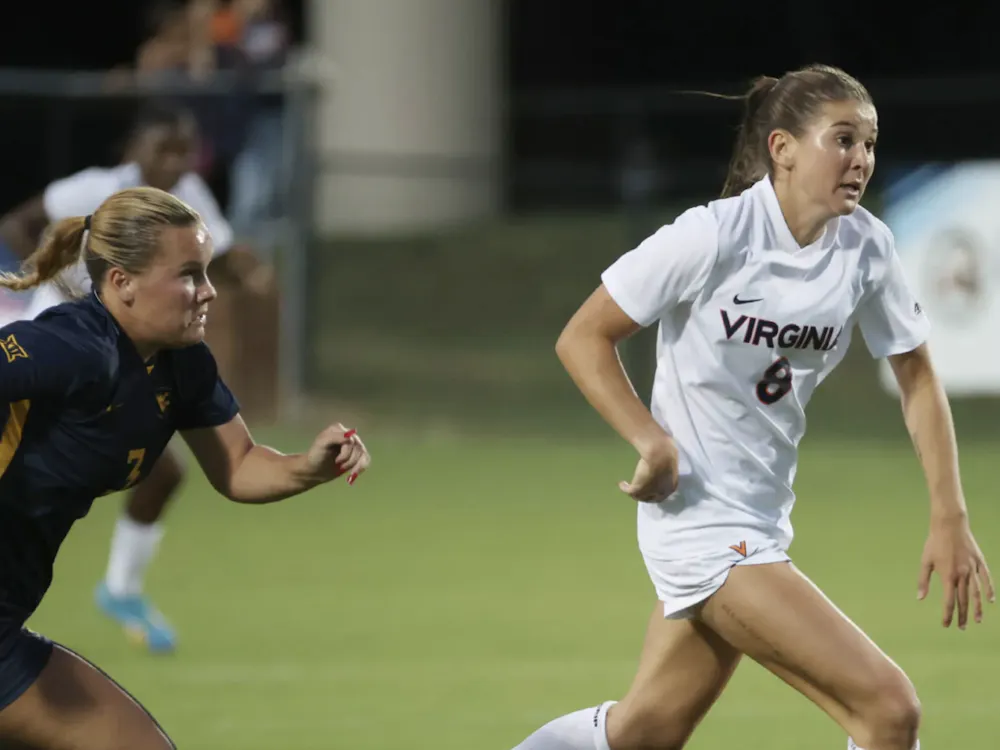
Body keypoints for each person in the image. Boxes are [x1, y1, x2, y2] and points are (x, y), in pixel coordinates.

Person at [510, 64, 993, 750]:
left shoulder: (865, 248)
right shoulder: (713, 235)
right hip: (701, 526)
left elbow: (916, 376)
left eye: (871, 144)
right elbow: (583, 337)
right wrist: (652, 441)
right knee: (888, 710)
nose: (861, 159)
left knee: (643, 732)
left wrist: (950, 515)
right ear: (782, 148)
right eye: (844, 139)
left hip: (761, 517)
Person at [0, 185, 368, 749]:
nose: (209, 292)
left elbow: (239, 466)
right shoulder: (72, 347)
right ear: (121, 281)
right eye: (190, 274)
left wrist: (310, 465)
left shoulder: (181, 363)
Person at [0, 101, 273, 653]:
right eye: (163, 148)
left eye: (184, 150)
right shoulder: (94, 189)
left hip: (125, 350)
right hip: (56, 341)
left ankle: (120, 587)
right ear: (135, 150)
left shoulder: (189, 200)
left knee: (162, 472)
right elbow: (20, 222)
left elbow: (202, 263)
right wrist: (33, 277)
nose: (174, 161)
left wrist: (238, 266)